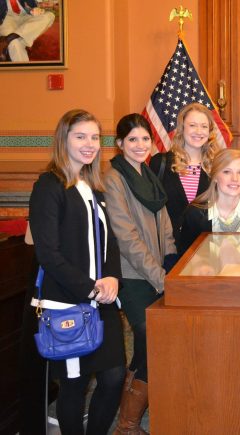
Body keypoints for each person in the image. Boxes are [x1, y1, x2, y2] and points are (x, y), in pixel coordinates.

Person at [28, 109, 125, 434]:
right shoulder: (49, 186)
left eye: (95, 137)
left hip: (102, 301)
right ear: (63, 139)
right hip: (69, 302)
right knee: (75, 385)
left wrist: (112, 278)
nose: (89, 144)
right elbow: (48, 254)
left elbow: (109, 241)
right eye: (80, 136)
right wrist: (89, 288)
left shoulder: (93, 186)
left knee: (113, 377)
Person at [104, 113, 177, 434]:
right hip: (132, 275)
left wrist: (170, 267)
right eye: (132, 139)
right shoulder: (114, 178)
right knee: (149, 334)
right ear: (120, 143)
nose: (139, 145)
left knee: (154, 342)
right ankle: (127, 424)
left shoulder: (148, 173)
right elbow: (126, 236)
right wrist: (159, 277)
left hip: (158, 271)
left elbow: (165, 225)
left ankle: (126, 419)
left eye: (145, 139)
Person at [149, 103, 223, 244]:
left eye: (204, 126)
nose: (198, 131)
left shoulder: (217, 166)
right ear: (182, 128)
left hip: (206, 247)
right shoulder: (160, 163)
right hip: (169, 247)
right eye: (192, 125)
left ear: (210, 131)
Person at [178, 148, 240, 254]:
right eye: (227, 172)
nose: (235, 179)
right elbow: (185, 257)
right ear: (215, 177)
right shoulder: (195, 213)